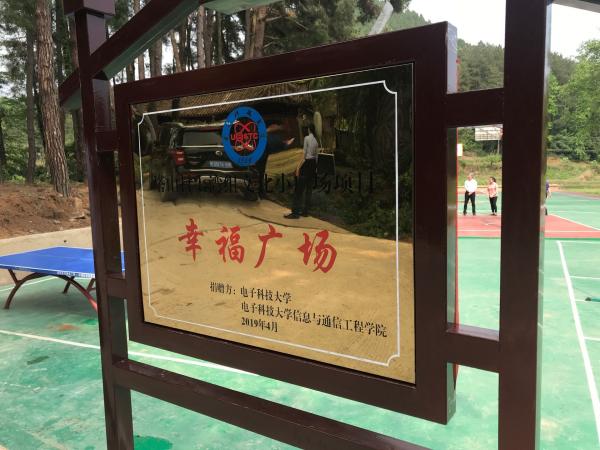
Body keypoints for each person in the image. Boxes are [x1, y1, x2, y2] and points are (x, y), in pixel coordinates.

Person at [284, 124, 319, 219]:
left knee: (299, 190)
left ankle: (295, 212)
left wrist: (298, 168)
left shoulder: (307, 138)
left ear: (309, 129)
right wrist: (315, 169)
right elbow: (316, 157)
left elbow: (304, 155)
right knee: (308, 190)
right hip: (313, 165)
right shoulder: (316, 141)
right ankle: (305, 211)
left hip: (306, 164)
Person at [255, 122, 295, 198]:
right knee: (260, 174)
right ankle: (260, 193)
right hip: (261, 157)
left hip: (260, 157)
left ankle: (260, 192)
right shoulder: (268, 136)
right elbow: (275, 144)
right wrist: (286, 144)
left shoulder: (265, 135)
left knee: (260, 174)